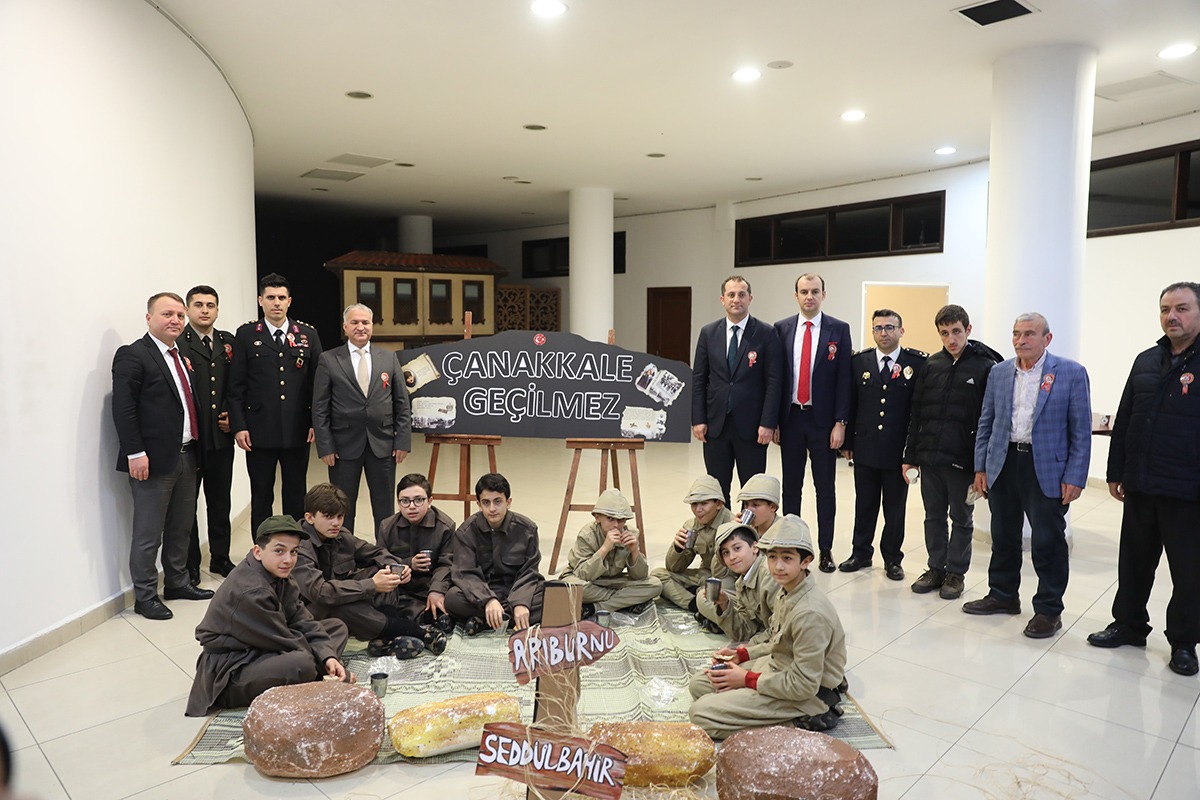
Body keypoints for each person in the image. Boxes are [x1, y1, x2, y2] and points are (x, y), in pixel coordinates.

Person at [1088, 282, 1200, 676]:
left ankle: (1184, 642)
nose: (1172, 316)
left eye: (1182, 308)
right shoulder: (1146, 360)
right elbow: (1127, 418)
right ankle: (1129, 625)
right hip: (1141, 483)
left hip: (1187, 490)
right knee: (1133, 563)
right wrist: (1116, 471)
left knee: (1189, 573)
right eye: (1166, 309)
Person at [964, 313, 1092, 639]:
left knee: (1047, 541)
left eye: (1030, 334)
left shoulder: (1071, 373)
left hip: (1046, 467)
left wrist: (1076, 476)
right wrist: (981, 467)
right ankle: (1003, 595)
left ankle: (1049, 610)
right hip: (1004, 463)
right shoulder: (999, 372)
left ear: (1047, 338)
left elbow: (1080, 431)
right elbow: (987, 423)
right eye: (1017, 334)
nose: (1021, 340)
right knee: (1003, 535)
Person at [688, 515, 848, 739]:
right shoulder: (789, 590)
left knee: (701, 714)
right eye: (772, 557)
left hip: (806, 694)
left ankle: (802, 720)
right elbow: (776, 641)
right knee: (700, 685)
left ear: (805, 561)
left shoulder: (809, 612)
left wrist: (746, 679)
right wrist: (742, 655)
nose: (778, 566)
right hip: (779, 667)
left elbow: (803, 685)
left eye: (787, 558)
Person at [112, 292, 214, 621]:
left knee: (181, 527)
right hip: (151, 460)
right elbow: (124, 409)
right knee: (148, 532)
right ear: (149, 318)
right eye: (167, 314)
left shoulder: (179, 353)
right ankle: (145, 595)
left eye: (180, 316)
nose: (175, 320)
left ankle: (177, 582)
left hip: (186, 454)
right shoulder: (133, 355)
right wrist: (135, 452)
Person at [185, 515, 351, 716]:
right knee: (301, 663)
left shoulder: (278, 573)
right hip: (231, 670)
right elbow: (284, 639)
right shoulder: (251, 591)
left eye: (294, 552)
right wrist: (324, 657)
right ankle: (317, 679)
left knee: (336, 627)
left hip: (262, 645)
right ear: (258, 551)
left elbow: (301, 618)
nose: (288, 560)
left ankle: (319, 674)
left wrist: (328, 655)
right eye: (279, 551)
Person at [902, 304, 1002, 601]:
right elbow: (916, 414)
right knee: (933, 516)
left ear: (968, 330)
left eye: (956, 331)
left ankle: (955, 573)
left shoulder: (985, 367)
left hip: (963, 462)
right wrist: (910, 456)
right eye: (944, 333)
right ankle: (936, 568)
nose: (951, 339)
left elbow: (990, 419)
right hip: (931, 457)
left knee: (961, 517)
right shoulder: (932, 365)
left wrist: (981, 466)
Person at [291, 483, 446, 656]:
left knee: (382, 571)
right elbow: (320, 592)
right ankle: (416, 632)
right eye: (328, 516)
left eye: (340, 516)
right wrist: (372, 585)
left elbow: (375, 552)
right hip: (307, 612)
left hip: (336, 594)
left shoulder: (340, 534)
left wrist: (399, 567)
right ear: (310, 517)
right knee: (341, 605)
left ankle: (385, 638)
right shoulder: (299, 547)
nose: (336, 523)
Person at [227, 273, 323, 533]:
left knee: (296, 494)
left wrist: (316, 422)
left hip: (297, 430)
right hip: (258, 432)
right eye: (271, 298)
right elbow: (236, 386)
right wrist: (239, 426)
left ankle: (295, 549)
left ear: (289, 301)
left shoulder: (307, 335)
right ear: (261, 300)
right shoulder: (246, 335)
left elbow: (318, 385)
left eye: (281, 298)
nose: (276, 303)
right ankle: (262, 549)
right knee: (261, 495)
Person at [839, 309, 927, 581]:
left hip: (897, 451)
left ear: (901, 331)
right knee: (864, 504)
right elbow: (851, 404)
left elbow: (918, 411)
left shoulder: (917, 363)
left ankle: (892, 558)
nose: (883, 333)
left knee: (894, 508)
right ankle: (861, 552)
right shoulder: (859, 362)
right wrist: (849, 442)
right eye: (878, 328)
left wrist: (913, 453)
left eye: (890, 327)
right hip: (865, 447)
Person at [774, 273, 852, 573]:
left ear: (823, 295)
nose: (809, 296)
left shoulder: (839, 330)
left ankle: (825, 548)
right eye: (804, 291)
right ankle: (793, 548)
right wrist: (774, 420)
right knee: (791, 488)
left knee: (825, 489)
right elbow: (777, 379)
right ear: (796, 296)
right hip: (792, 418)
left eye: (815, 291)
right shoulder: (781, 329)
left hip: (823, 423)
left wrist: (840, 422)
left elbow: (845, 380)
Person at [313, 304, 411, 536]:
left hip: (383, 444)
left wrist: (402, 441)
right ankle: (343, 556)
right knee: (342, 507)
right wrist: (325, 446)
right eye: (355, 323)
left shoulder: (388, 358)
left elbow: (402, 403)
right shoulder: (329, 360)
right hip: (343, 447)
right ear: (345, 327)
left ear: (372, 327)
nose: (360, 327)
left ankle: (385, 555)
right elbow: (320, 408)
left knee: (385, 507)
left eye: (365, 322)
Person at [691, 275, 783, 506]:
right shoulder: (708, 333)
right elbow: (699, 379)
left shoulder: (765, 333)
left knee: (752, 492)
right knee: (717, 491)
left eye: (741, 294)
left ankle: (749, 539)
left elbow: (774, 381)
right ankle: (722, 537)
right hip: (715, 426)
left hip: (752, 428)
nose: (736, 299)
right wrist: (698, 419)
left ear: (750, 298)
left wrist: (768, 423)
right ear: (722, 299)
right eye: (731, 295)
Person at [179, 285, 238, 580]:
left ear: (217, 310)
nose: (205, 310)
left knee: (220, 500)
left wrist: (233, 416)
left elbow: (237, 385)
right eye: (199, 305)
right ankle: (191, 565)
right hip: (193, 439)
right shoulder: (179, 343)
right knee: (189, 505)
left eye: (210, 305)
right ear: (188, 309)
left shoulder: (228, 342)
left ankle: (220, 557)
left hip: (221, 438)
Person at [445, 473, 546, 634]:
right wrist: (488, 600)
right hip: (481, 595)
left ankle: (486, 621)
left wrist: (521, 602)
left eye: (498, 501)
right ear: (478, 504)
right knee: (452, 599)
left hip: (515, 589)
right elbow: (464, 573)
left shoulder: (527, 529)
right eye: (486, 503)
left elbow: (529, 572)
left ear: (508, 502)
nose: (492, 509)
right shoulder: (466, 532)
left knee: (551, 595)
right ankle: (507, 619)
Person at [697, 474, 781, 629]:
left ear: (773, 507)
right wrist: (730, 533)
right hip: (745, 590)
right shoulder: (746, 529)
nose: (749, 510)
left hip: (769, 595)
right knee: (705, 596)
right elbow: (720, 573)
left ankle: (735, 624)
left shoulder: (783, 534)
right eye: (746, 505)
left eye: (755, 505)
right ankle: (733, 622)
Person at [559, 490, 662, 616]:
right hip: (588, 582)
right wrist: (604, 548)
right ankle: (623, 601)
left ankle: (595, 608)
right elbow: (582, 574)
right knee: (569, 587)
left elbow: (640, 576)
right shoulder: (587, 535)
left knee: (655, 585)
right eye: (610, 519)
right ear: (597, 517)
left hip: (613, 581)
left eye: (621, 520)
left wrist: (634, 551)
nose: (616, 525)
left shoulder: (631, 533)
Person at [376, 473, 457, 630]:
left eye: (418, 500)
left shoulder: (445, 526)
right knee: (378, 597)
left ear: (430, 501)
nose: (411, 506)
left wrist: (436, 590)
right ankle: (426, 619)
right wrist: (407, 563)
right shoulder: (387, 527)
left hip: (431, 586)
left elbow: (447, 564)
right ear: (398, 503)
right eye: (405, 501)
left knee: (456, 595)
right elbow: (380, 561)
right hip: (401, 588)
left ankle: (415, 619)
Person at [652, 475, 734, 613]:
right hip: (703, 575)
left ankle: (698, 598)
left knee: (723, 592)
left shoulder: (732, 525)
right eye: (694, 504)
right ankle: (694, 604)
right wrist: (677, 548)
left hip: (726, 579)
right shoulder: (691, 525)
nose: (698, 509)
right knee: (658, 575)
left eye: (704, 503)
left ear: (719, 504)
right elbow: (674, 568)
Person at [710, 520, 779, 645]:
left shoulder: (769, 575)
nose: (732, 557)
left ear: (755, 547)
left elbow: (782, 630)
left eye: (737, 548)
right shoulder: (741, 583)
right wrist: (724, 605)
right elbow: (744, 631)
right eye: (726, 553)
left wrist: (750, 647)